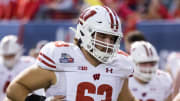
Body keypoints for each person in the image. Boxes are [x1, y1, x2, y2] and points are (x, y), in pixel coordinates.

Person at [4, 5, 138, 101]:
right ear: (85, 32)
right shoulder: (62, 58)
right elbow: (16, 89)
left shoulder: (119, 65)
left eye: (112, 38)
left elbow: (126, 98)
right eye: (102, 36)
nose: (108, 43)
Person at [0, 35, 38, 99]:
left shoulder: (29, 64)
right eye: (5, 56)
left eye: (11, 55)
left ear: (18, 52)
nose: (8, 58)